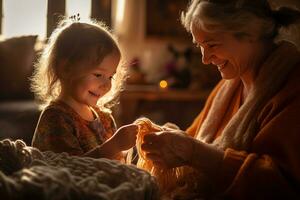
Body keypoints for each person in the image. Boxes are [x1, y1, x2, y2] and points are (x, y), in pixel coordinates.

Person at [140, 0, 300, 199]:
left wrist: (192, 152)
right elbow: (195, 138)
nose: (205, 59)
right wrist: (170, 140)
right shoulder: (228, 87)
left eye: (212, 44)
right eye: (200, 46)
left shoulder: (292, 89)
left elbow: (282, 188)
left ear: (250, 33)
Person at [31, 17, 137, 161]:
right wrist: (114, 146)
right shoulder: (56, 118)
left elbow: (115, 162)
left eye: (111, 77)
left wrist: (131, 149)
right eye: (98, 74)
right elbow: (71, 170)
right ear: (65, 69)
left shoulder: (105, 119)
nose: (107, 85)